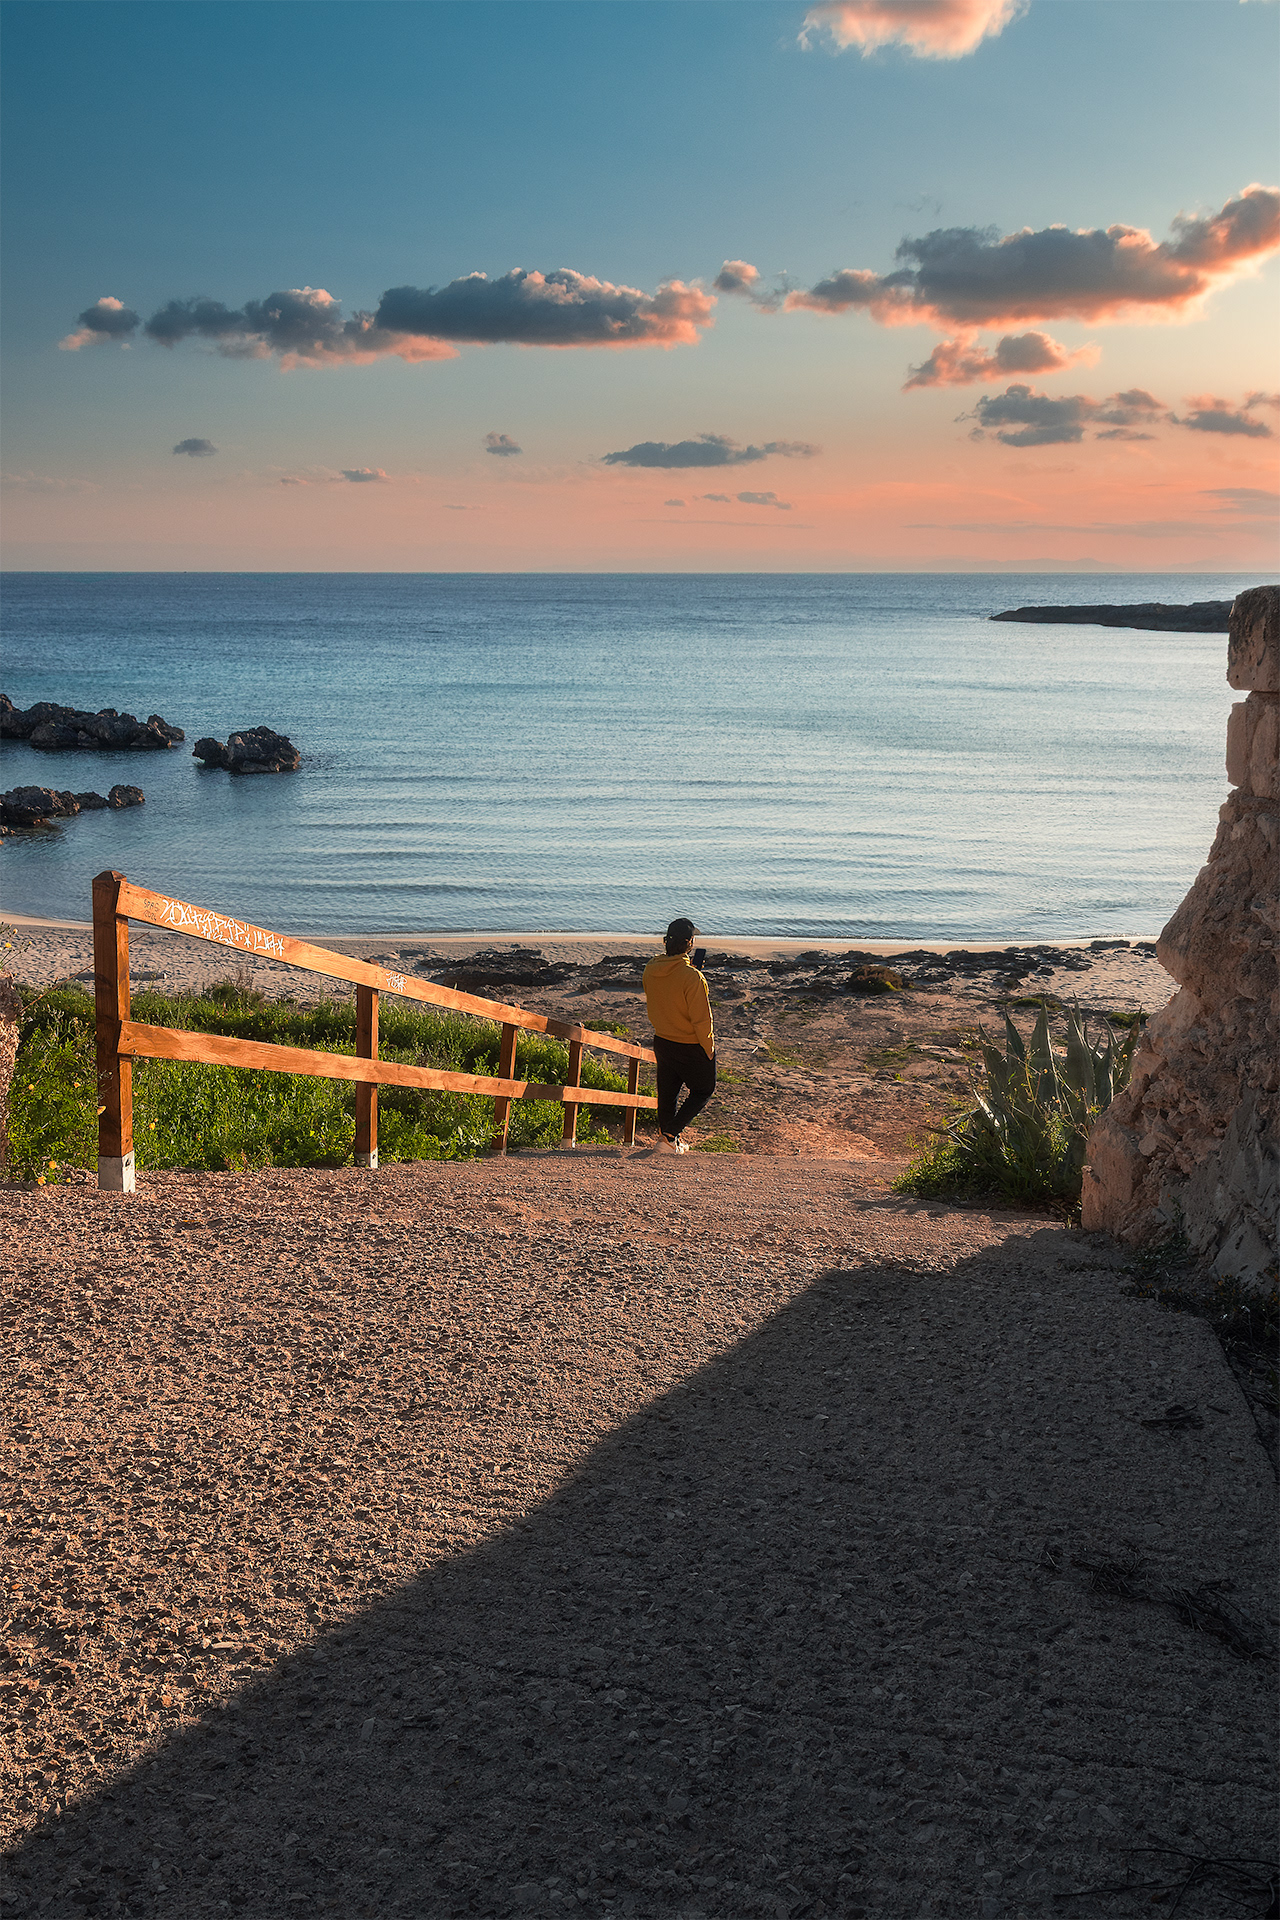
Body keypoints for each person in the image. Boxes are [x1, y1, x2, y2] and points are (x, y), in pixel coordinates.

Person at [642, 917, 716, 1154]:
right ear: (690, 944)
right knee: (704, 1089)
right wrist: (709, 1047)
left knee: (668, 1093)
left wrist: (689, 972)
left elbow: (665, 994)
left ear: (666, 941)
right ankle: (670, 1135)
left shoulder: (652, 969)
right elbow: (701, 1019)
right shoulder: (692, 977)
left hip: (663, 1039)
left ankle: (668, 1142)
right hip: (689, 1044)